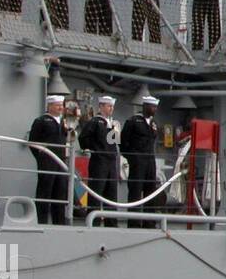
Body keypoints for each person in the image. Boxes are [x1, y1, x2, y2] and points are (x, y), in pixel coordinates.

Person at [28, 95, 69, 225]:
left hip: (61, 162)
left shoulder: (62, 122)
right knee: (45, 191)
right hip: (47, 160)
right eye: (57, 105)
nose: (60, 107)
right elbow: (32, 142)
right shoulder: (41, 120)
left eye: (61, 105)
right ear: (49, 106)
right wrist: (41, 157)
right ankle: (41, 221)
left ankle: (59, 222)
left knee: (60, 191)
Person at [79, 95, 120, 224]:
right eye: (109, 106)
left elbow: (113, 142)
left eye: (112, 106)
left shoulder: (112, 123)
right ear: (101, 106)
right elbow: (83, 139)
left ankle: (111, 222)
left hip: (111, 160)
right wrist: (94, 148)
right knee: (96, 191)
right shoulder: (95, 122)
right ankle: (93, 221)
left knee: (111, 192)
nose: (111, 109)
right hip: (99, 160)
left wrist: (115, 132)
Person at [122, 96, 160, 226]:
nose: (154, 109)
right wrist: (133, 157)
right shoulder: (133, 121)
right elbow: (123, 142)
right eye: (152, 107)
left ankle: (149, 222)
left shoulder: (153, 123)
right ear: (145, 106)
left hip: (150, 160)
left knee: (150, 190)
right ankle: (134, 223)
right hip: (138, 161)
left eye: (155, 107)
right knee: (135, 191)